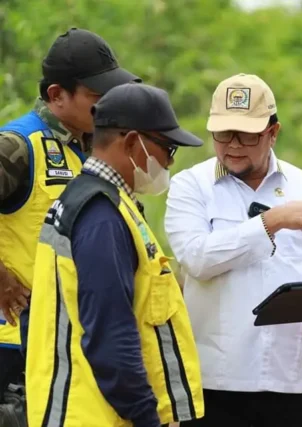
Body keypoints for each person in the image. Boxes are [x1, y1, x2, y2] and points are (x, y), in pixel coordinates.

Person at [164, 73, 302, 427]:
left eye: (248, 134)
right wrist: (272, 221)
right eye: (224, 133)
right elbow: (197, 258)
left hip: (293, 377)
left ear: (273, 132)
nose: (234, 144)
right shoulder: (190, 186)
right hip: (216, 380)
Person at [24, 82, 204, 426]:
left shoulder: (92, 200)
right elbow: (111, 336)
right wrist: (146, 417)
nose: (168, 162)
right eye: (167, 149)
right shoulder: (101, 217)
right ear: (134, 142)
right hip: (95, 415)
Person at [0, 27, 140, 419]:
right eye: (96, 98)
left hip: (74, 344)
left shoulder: (92, 149)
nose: (106, 107)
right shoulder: (16, 146)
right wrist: (2, 280)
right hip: (16, 348)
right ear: (56, 95)